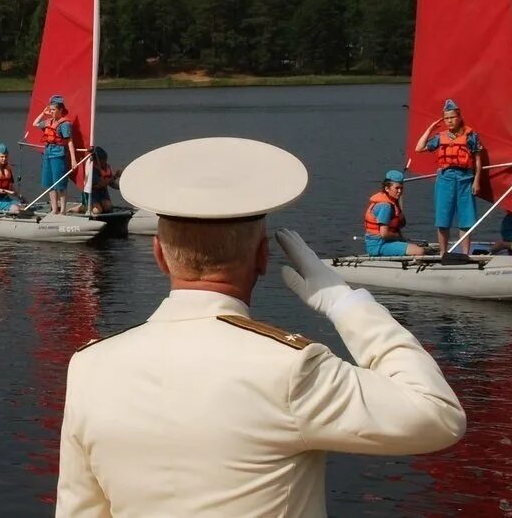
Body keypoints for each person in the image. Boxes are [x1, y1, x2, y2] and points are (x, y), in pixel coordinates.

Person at [57, 137, 465, 517]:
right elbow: (438, 415)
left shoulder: (90, 368)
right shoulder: (291, 369)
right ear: (263, 258)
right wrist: (347, 304)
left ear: (159, 255)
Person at [414, 98, 485, 256]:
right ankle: (443, 253)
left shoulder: (471, 135)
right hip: (445, 178)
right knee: (443, 218)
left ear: (459, 117)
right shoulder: (441, 137)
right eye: (446, 118)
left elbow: (478, 159)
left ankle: (466, 253)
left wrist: (477, 180)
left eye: (452, 117)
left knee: (466, 219)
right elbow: (419, 148)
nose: (449, 121)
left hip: (465, 178)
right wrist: (431, 128)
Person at [33, 94, 80, 214]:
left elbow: (69, 142)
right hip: (47, 154)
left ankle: (63, 210)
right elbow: (35, 124)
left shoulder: (64, 124)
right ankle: (54, 209)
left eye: (54, 110)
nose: (52, 112)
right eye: (51, 110)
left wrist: (74, 160)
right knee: (49, 184)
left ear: (60, 110)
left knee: (60, 183)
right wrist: (43, 113)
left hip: (58, 154)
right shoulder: (48, 121)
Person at [364, 169, 426, 257]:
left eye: (401, 188)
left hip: (384, 242)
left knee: (414, 248)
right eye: (397, 188)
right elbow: (384, 234)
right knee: (420, 251)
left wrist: (398, 207)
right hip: (379, 245)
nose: (400, 191)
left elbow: (402, 223)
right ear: (387, 188)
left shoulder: (392, 202)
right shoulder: (385, 206)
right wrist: (398, 237)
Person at [84, 146, 122, 216]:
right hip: (93, 194)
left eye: (105, 159)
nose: (105, 162)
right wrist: (116, 176)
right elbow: (102, 184)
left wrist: (121, 187)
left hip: (103, 193)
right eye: (103, 160)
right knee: (97, 211)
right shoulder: (92, 169)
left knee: (108, 207)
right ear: (97, 160)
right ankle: (83, 206)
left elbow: (111, 183)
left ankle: (97, 205)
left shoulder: (107, 167)